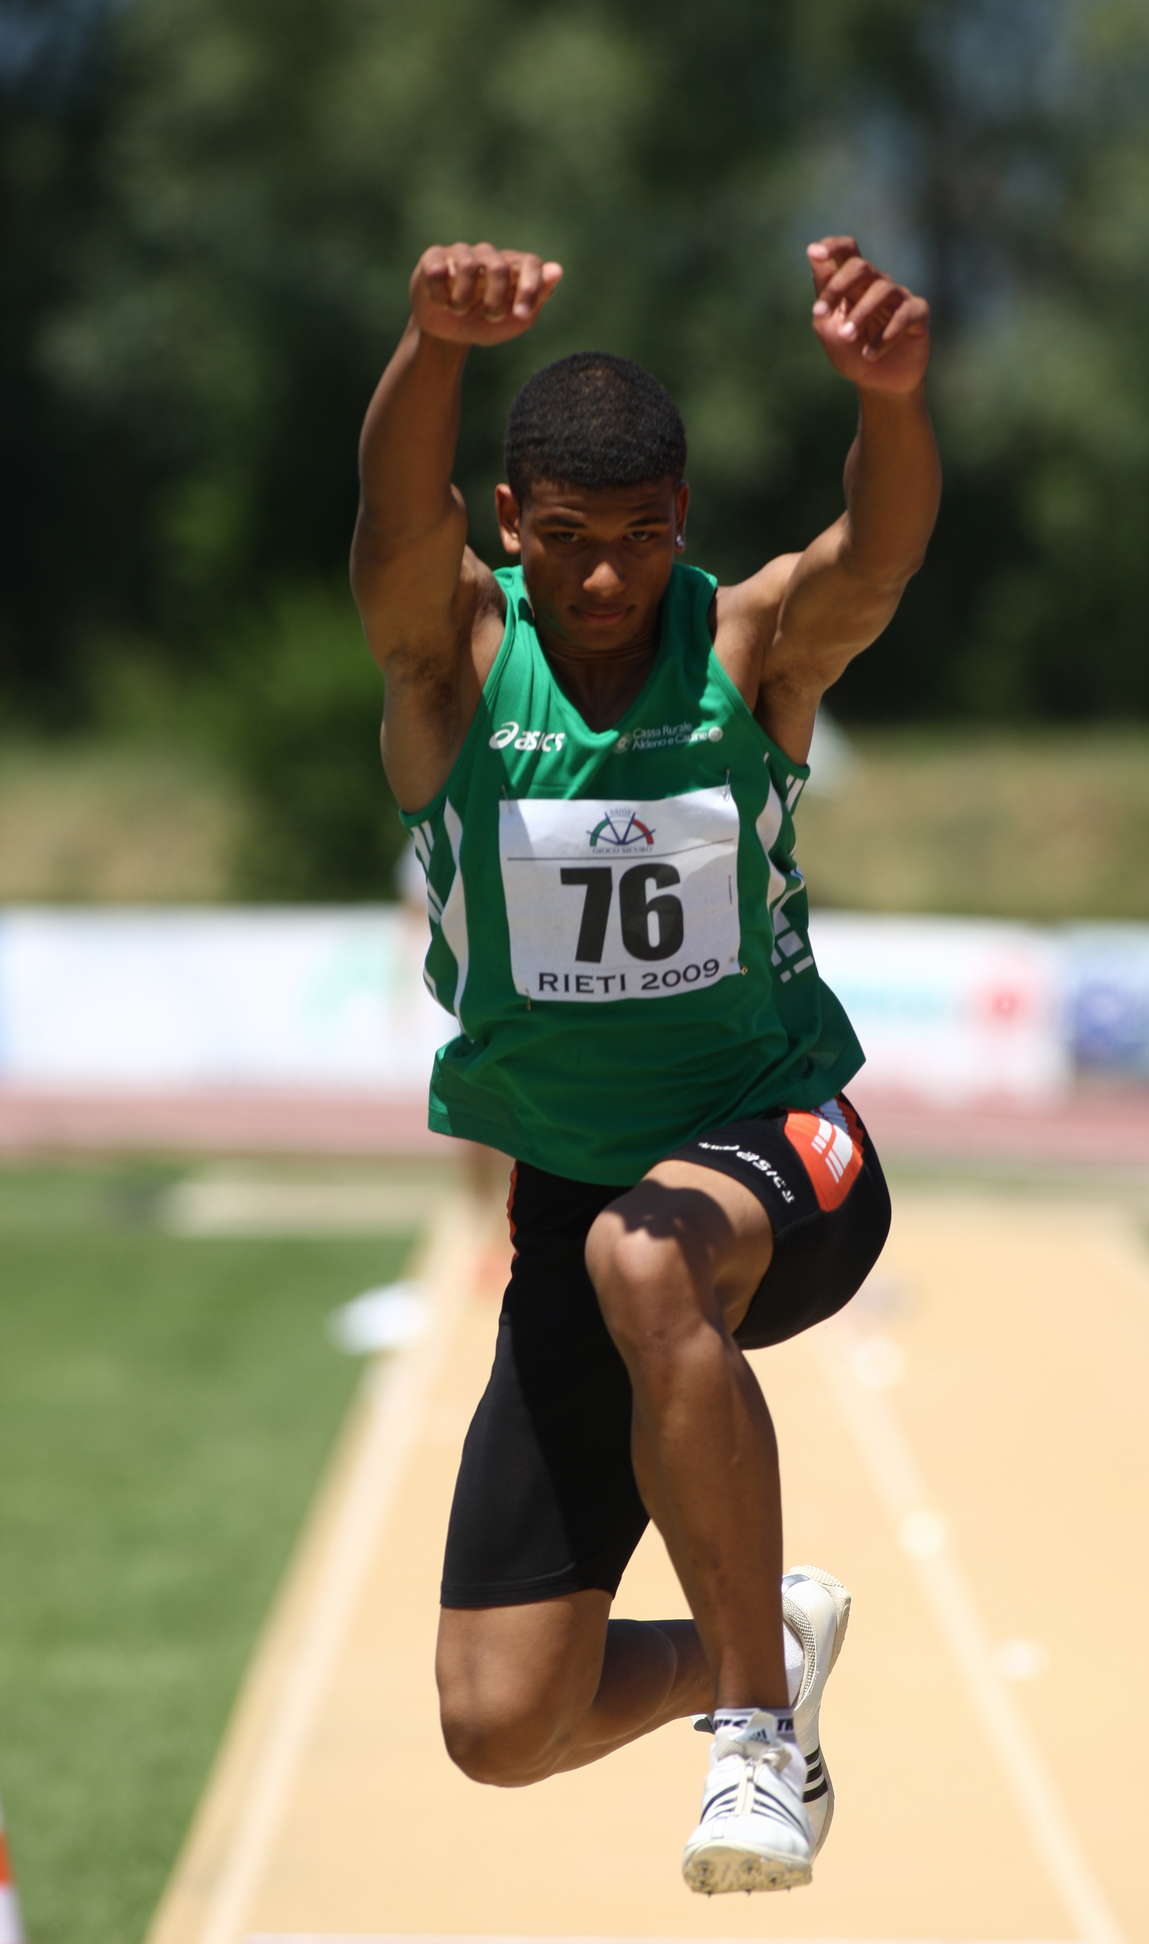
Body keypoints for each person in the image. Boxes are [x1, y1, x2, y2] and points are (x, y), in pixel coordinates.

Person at [350, 235, 940, 1894]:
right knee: (502, 1720)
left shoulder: (748, 648)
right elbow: (391, 527)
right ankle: (765, 1640)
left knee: (647, 1253)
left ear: (681, 517)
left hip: (786, 1149)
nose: (607, 581)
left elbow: (877, 556)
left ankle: (759, 1739)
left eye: (640, 538)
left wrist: (891, 403)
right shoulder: (456, 665)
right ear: (510, 523)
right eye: (568, 542)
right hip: (579, 1206)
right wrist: (430, 347)